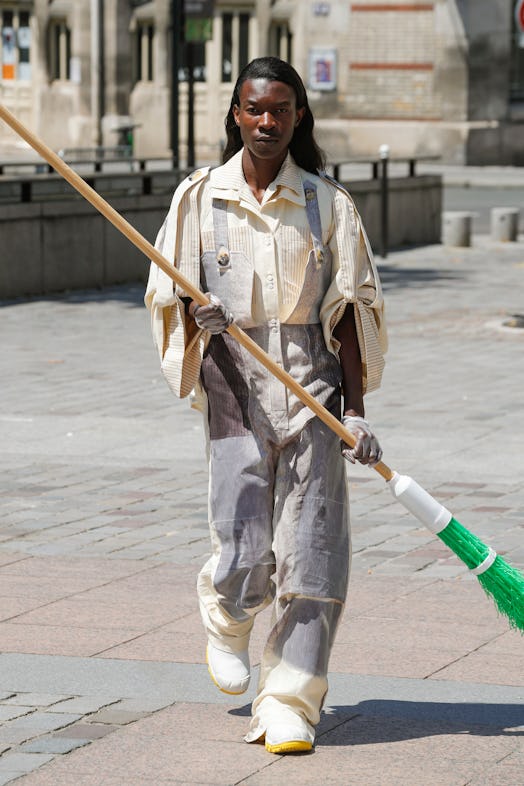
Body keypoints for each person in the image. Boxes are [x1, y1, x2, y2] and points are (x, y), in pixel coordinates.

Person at [145, 56, 387, 755]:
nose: (266, 121)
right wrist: (198, 314)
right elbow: (168, 291)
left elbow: (349, 308)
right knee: (245, 542)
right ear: (236, 113)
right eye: (254, 109)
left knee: (312, 551)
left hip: (314, 389)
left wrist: (357, 410)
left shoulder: (326, 203)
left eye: (280, 109)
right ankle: (227, 610)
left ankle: (289, 699)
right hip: (232, 384)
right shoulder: (200, 197)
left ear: (298, 116)